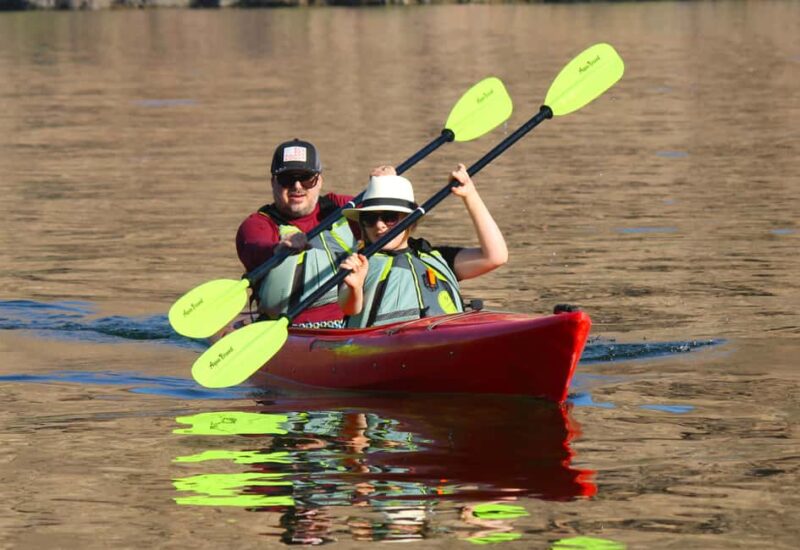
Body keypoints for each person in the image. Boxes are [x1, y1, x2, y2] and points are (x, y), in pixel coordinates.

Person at [337, 165, 508, 328]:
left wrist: (470, 194)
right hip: (380, 349)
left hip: (445, 343)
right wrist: (355, 287)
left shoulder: (435, 257)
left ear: (409, 220)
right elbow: (350, 308)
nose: (379, 225)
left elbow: (496, 257)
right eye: (370, 219)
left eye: (389, 217)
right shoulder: (358, 263)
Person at [235, 138, 359, 328]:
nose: (297, 186)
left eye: (306, 178)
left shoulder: (341, 207)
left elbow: (394, 217)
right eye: (287, 179)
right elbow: (254, 248)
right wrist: (279, 248)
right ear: (273, 182)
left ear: (319, 181)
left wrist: (387, 184)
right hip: (289, 329)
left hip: (351, 322)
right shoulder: (258, 225)